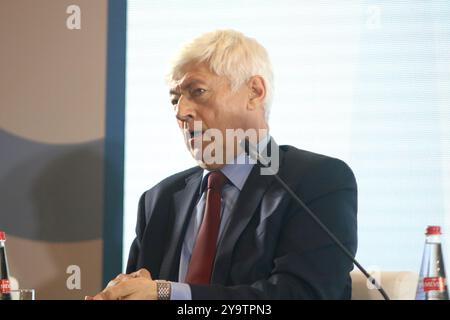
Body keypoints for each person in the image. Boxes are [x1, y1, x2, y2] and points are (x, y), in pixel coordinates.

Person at [90, 29, 357, 300]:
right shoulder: (159, 199)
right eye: (174, 99)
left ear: (254, 92)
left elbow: (303, 295)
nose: (181, 112)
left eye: (198, 92)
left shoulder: (315, 181)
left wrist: (169, 293)